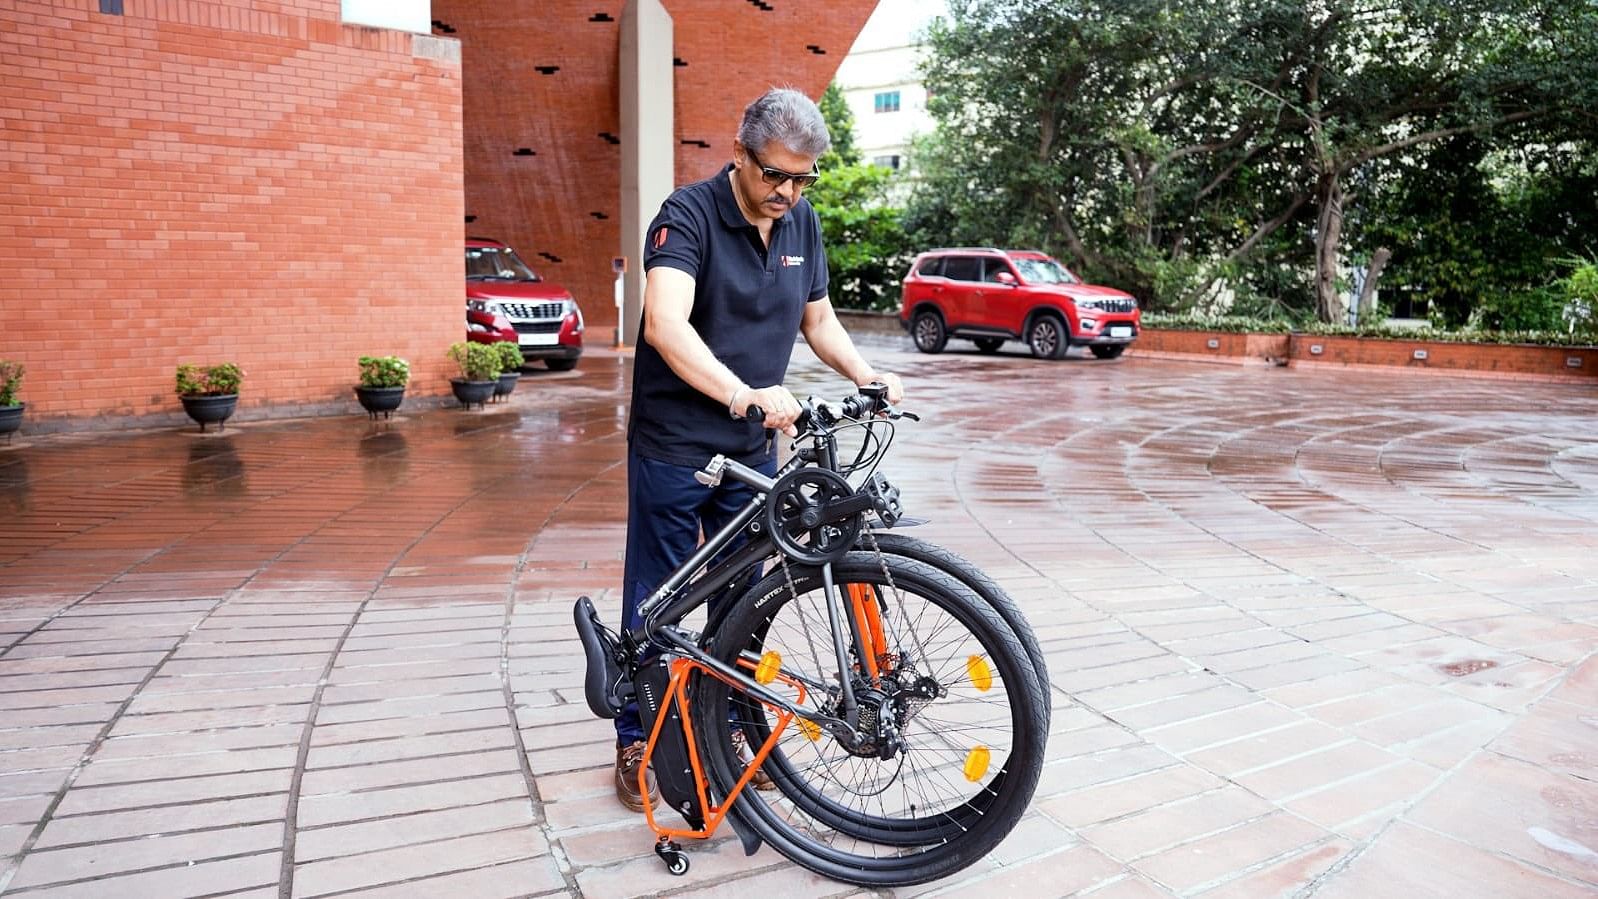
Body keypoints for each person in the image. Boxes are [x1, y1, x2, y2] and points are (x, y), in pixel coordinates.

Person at [613, 87, 904, 812]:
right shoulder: (688, 217)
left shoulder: (801, 221)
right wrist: (741, 389)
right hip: (677, 443)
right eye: (775, 174)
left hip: (752, 446)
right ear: (738, 154)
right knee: (663, 593)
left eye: (804, 178)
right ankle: (638, 736)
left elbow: (820, 318)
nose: (789, 191)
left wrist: (867, 374)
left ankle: (729, 727)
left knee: (748, 597)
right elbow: (665, 325)